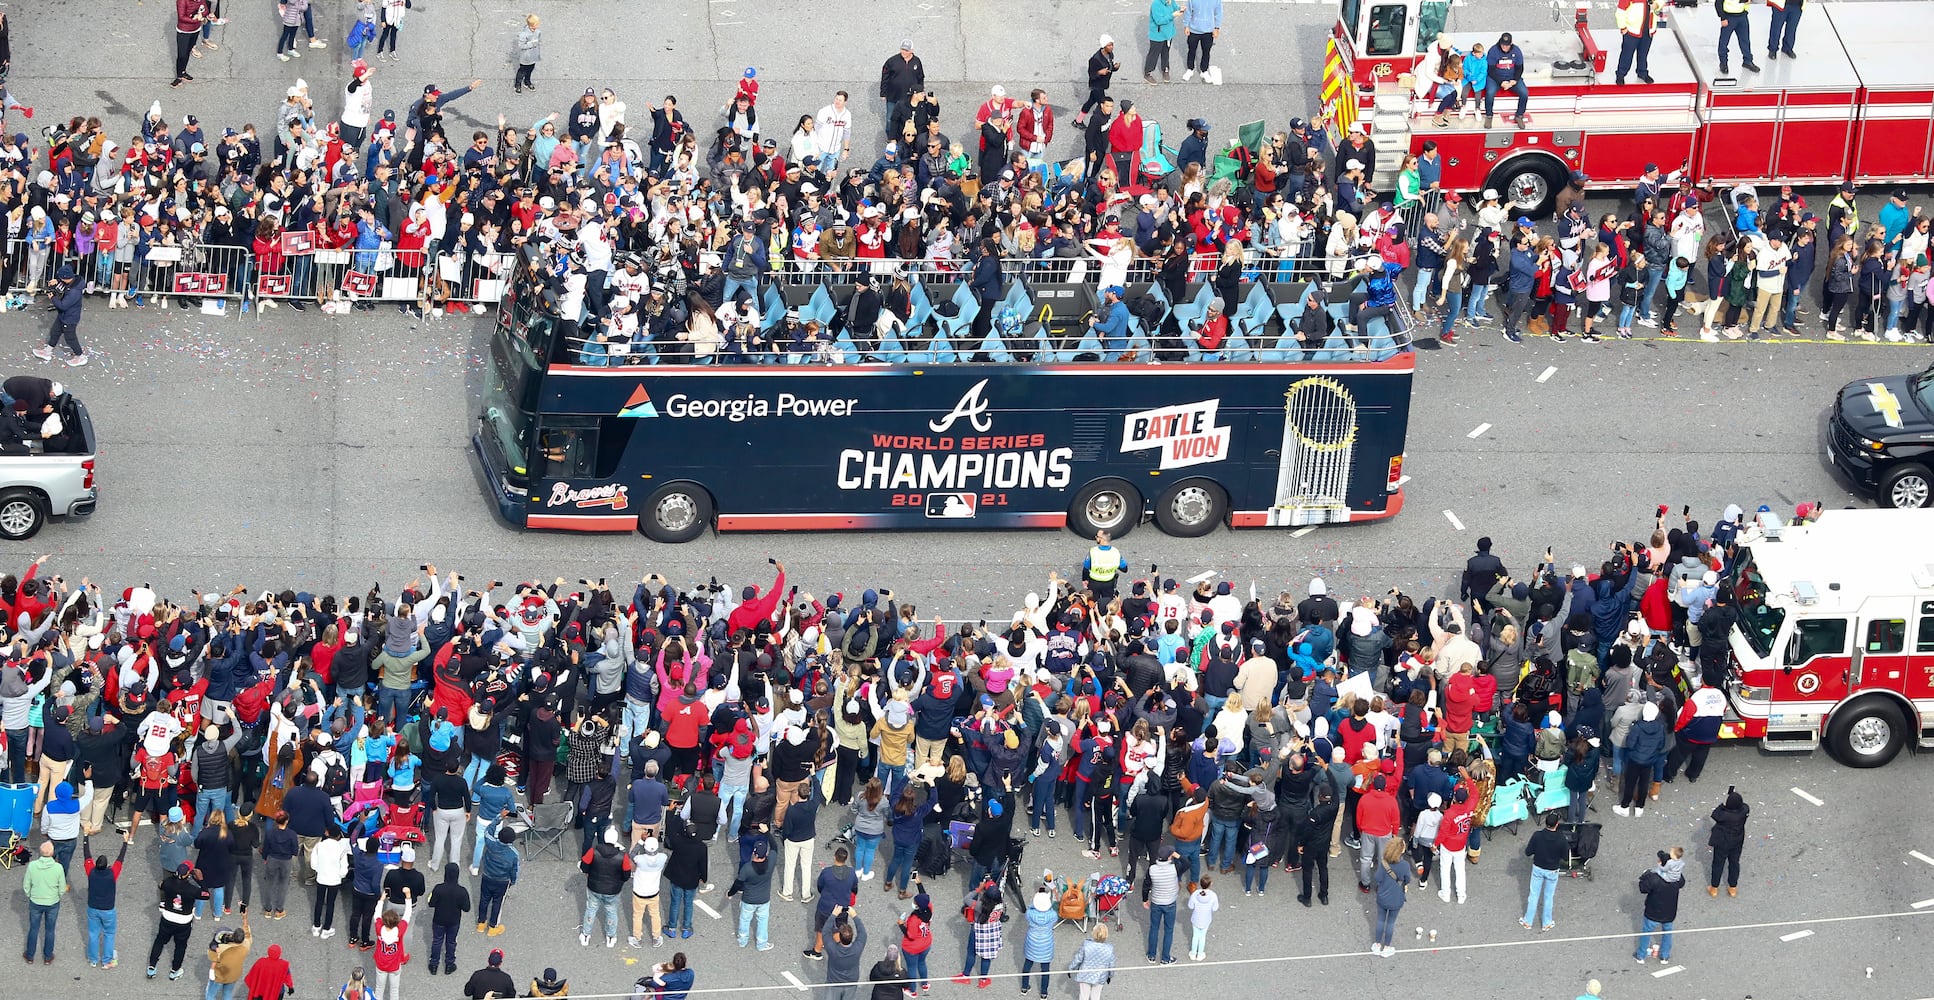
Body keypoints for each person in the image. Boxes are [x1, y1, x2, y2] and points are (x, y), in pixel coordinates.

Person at [83, 831, 131, 968]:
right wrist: (125, 842)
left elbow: (87, 855)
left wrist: (85, 837)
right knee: (109, 934)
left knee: (93, 934)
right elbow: (120, 859)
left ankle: (93, 959)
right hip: (108, 909)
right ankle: (107, 960)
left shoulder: (91, 872)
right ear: (106, 866)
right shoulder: (112, 874)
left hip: (93, 907)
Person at [1634, 847, 1685, 964]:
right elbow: (1682, 883)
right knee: (1667, 933)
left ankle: (1641, 955)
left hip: (1653, 912)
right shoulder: (1677, 878)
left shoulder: (1654, 878)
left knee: (1646, 932)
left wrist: (1644, 876)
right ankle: (1665, 956)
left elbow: (1643, 888)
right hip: (1669, 912)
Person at [22, 839, 67, 963]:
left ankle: (30, 955)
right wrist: (58, 895)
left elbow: (26, 884)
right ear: (52, 853)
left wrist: (30, 894)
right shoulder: (58, 868)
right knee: (50, 929)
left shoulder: (32, 866)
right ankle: (48, 957)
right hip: (52, 902)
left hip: (36, 901)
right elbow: (62, 887)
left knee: (34, 928)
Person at [1521, 812, 1566, 932]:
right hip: (1552, 870)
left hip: (1538, 868)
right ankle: (1546, 922)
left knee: (1534, 894)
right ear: (1556, 824)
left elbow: (1528, 852)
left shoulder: (1537, 836)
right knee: (1548, 896)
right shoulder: (1561, 839)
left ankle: (1528, 921)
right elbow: (1566, 857)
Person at [34, 265, 87, 366]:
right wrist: (57, 281)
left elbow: (63, 306)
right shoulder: (74, 280)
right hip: (64, 315)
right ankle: (47, 351)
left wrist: (52, 298)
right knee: (55, 331)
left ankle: (80, 356)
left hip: (70, 318)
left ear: (66, 277)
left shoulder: (74, 292)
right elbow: (64, 285)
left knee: (70, 338)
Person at [426, 863, 471, 976]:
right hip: (454, 921)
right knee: (451, 942)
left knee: (437, 941)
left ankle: (434, 965)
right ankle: (449, 965)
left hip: (439, 919)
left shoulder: (438, 888)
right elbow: (467, 908)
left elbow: (431, 904)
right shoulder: (462, 891)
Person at [1369, 835, 1410, 957]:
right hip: (1396, 898)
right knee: (1391, 922)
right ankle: (1386, 947)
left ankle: (1377, 945)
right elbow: (1407, 879)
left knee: (1380, 920)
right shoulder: (1405, 865)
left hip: (1382, 896)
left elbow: (1377, 878)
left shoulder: (1384, 863)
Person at [728, 841, 773, 950]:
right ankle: (761, 944)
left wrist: (730, 893)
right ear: (766, 854)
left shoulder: (747, 868)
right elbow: (775, 847)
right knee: (762, 921)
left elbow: (738, 883)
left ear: (754, 853)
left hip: (748, 899)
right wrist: (767, 832)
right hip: (764, 900)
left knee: (744, 919)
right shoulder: (771, 862)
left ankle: (742, 941)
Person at [370, 890, 414, 1000]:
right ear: (396, 922)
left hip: (381, 964)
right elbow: (407, 915)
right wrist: (408, 896)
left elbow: (376, 915)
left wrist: (381, 900)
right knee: (394, 990)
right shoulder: (399, 930)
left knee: (379, 988)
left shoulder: (379, 928)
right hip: (395, 964)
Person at [1140, 847, 1180, 964]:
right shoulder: (1174, 868)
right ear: (1169, 857)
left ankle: (1151, 955)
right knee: (1168, 930)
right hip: (1170, 903)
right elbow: (1187, 863)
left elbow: (1146, 885)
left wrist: (1144, 899)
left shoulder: (1152, 869)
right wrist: (1177, 856)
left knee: (1154, 927)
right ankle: (1165, 958)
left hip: (1156, 902)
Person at [1707, 788, 1749, 897]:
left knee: (1718, 864)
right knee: (1734, 863)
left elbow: (1715, 814)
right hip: (1737, 841)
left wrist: (1723, 805)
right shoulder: (1744, 810)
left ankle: (1714, 888)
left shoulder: (1724, 815)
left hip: (1723, 842)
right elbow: (1742, 805)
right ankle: (1733, 887)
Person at [820, 906, 867, 1000]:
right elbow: (863, 933)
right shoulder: (857, 948)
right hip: (851, 982)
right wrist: (855, 916)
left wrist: (833, 915)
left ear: (839, 937)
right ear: (852, 937)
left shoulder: (832, 949)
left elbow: (825, 932)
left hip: (834, 982)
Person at [206, 908, 254, 1000]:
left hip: (220, 976)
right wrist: (244, 918)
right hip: (233, 975)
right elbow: (247, 933)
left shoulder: (222, 948)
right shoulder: (246, 945)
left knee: (210, 995)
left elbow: (211, 955)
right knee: (227, 994)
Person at [1074, 36, 1119, 129]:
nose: (1111, 47)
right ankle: (1102, 125)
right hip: (1097, 86)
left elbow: (1109, 67)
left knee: (1090, 102)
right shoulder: (1095, 59)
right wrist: (1099, 72)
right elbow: (1091, 75)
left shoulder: (1110, 55)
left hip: (1103, 84)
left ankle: (1078, 120)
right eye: (1109, 45)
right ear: (1104, 46)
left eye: (1112, 45)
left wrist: (1114, 68)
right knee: (1103, 106)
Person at [1615, 0, 1660, 85]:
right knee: (1627, 55)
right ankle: (1620, 75)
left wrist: (1657, 4)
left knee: (1643, 55)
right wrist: (1623, 27)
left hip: (1648, 31)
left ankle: (1642, 72)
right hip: (1632, 31)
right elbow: (1620, 11)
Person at [1020, 890, 1055, 996]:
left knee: (1027, 965)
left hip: (1032, 941)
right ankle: (1044, 992)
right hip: (1046, 943)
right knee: (1045, 969)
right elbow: (1052, 909)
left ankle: (1024, 987)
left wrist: (1035, 902)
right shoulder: (1052, 915)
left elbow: (1030, 908)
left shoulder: (1030, 913)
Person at [1067, 924, 1114, 1000]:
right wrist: (1110, 975)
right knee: (1096, 996)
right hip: (1100, 976)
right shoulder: (1109, 949)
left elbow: (1078, 959)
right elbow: (1111, 965)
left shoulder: (1086, 945)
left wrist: (1070, 968)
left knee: (1083, 996)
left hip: (1085, 974)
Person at [1181, 0, 1223, 82]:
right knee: (1191, 51)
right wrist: (1186, 25)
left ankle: (1204, 71)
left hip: (1208, 31)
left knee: (1206, 52)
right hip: (1193, 30)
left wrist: (1217, 27)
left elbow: (1218, 13)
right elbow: (1188, 11)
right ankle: (1190, 69)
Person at [1717, 0, 1759, 74]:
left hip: (1742, 17)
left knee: (1745, 41)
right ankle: (1723, 63)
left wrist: (1745, 11)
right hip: (1729, 17)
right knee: (1724, 42)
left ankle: (1748, 61)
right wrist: (1723, 18)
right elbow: (1718, 3)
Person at [1146, 0, 1182, 83]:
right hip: (1157, 35)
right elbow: (1159, 21)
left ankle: (1165, 69)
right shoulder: (1156, 4)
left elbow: (1175, 7)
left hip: (1168, 34)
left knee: (1166, 53)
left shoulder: (1170, 1)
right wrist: (1173, 15)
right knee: (1153, 55)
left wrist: (1180, 9)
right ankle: (1148, 72)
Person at [1185, 875, 1219, 961]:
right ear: (1210, 884)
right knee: (1202, 936)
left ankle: (1193, 953)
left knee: (1195, 936)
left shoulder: (1195, 894)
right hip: (1206, 919)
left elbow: (1190, 906)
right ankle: (1200, 954)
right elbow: (1215, 908)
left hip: (1196, 918)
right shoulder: (1213, 895)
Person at [513, 15, 541, 94]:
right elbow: (521, 46)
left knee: (530, 69)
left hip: (533, 56)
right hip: (525, 57)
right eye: (536, 24)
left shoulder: (538, 32)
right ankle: (517, 84)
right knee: (522, 71)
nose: (538, 25)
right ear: (531, 25)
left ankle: (527, 81)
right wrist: (531, 44)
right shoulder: (524, 34)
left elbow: (539, 40)